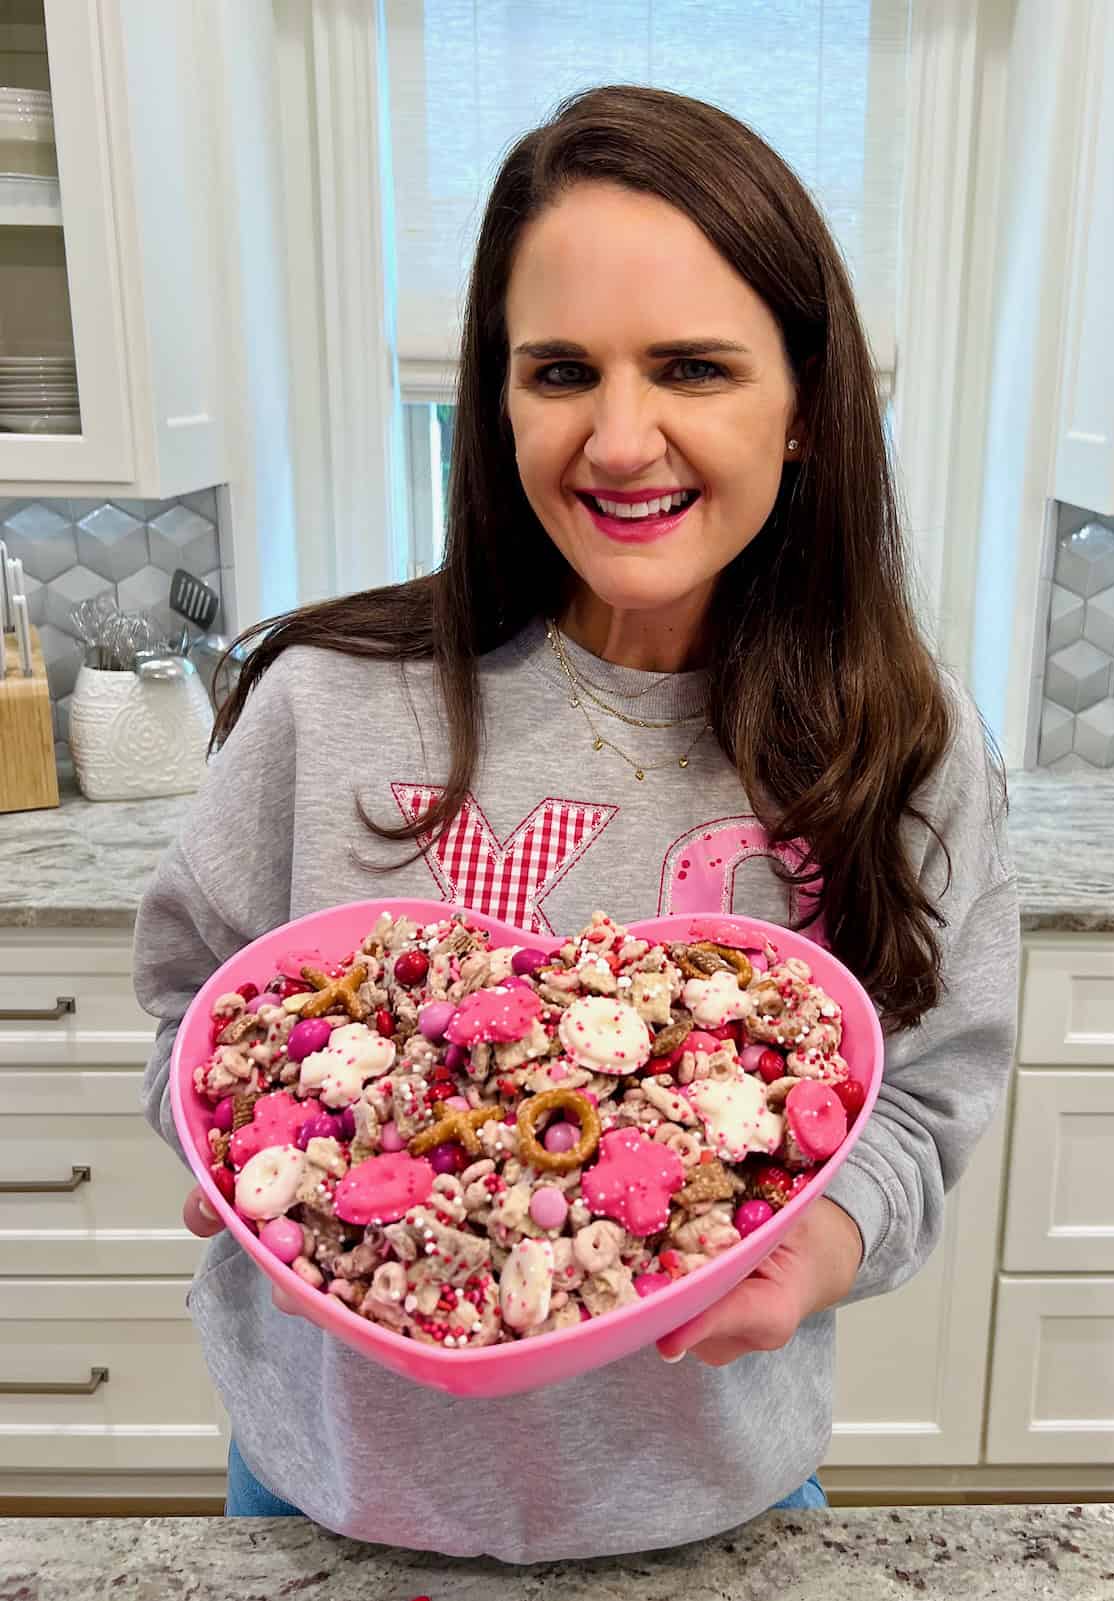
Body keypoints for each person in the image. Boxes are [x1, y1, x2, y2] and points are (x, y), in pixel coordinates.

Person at [133, 83, 1018, 1559]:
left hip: (707, 1504)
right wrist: (231, 1151)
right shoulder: (328, 701)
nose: (619, 438)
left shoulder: (900, 744)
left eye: (693, 367)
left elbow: (924, 1093)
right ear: (498, 400)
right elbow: (194, 1005)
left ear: (805, 405)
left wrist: (819, 1247)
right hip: (324, 1493)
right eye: (559, 370)